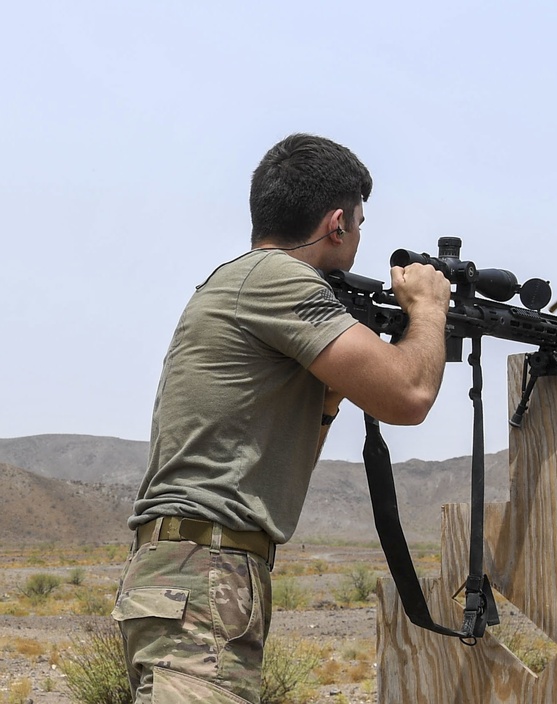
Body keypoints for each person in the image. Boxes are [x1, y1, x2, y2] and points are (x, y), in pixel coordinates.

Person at [112, 134, 451, 703]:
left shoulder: (242, 281)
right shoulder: (278, 281)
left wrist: (323, 406)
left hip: (195, 571)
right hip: (206, 573)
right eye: (360, 224)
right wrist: (430, 308)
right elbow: (410, 394)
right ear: (337, 223)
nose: (360, 239)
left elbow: (277, 466)